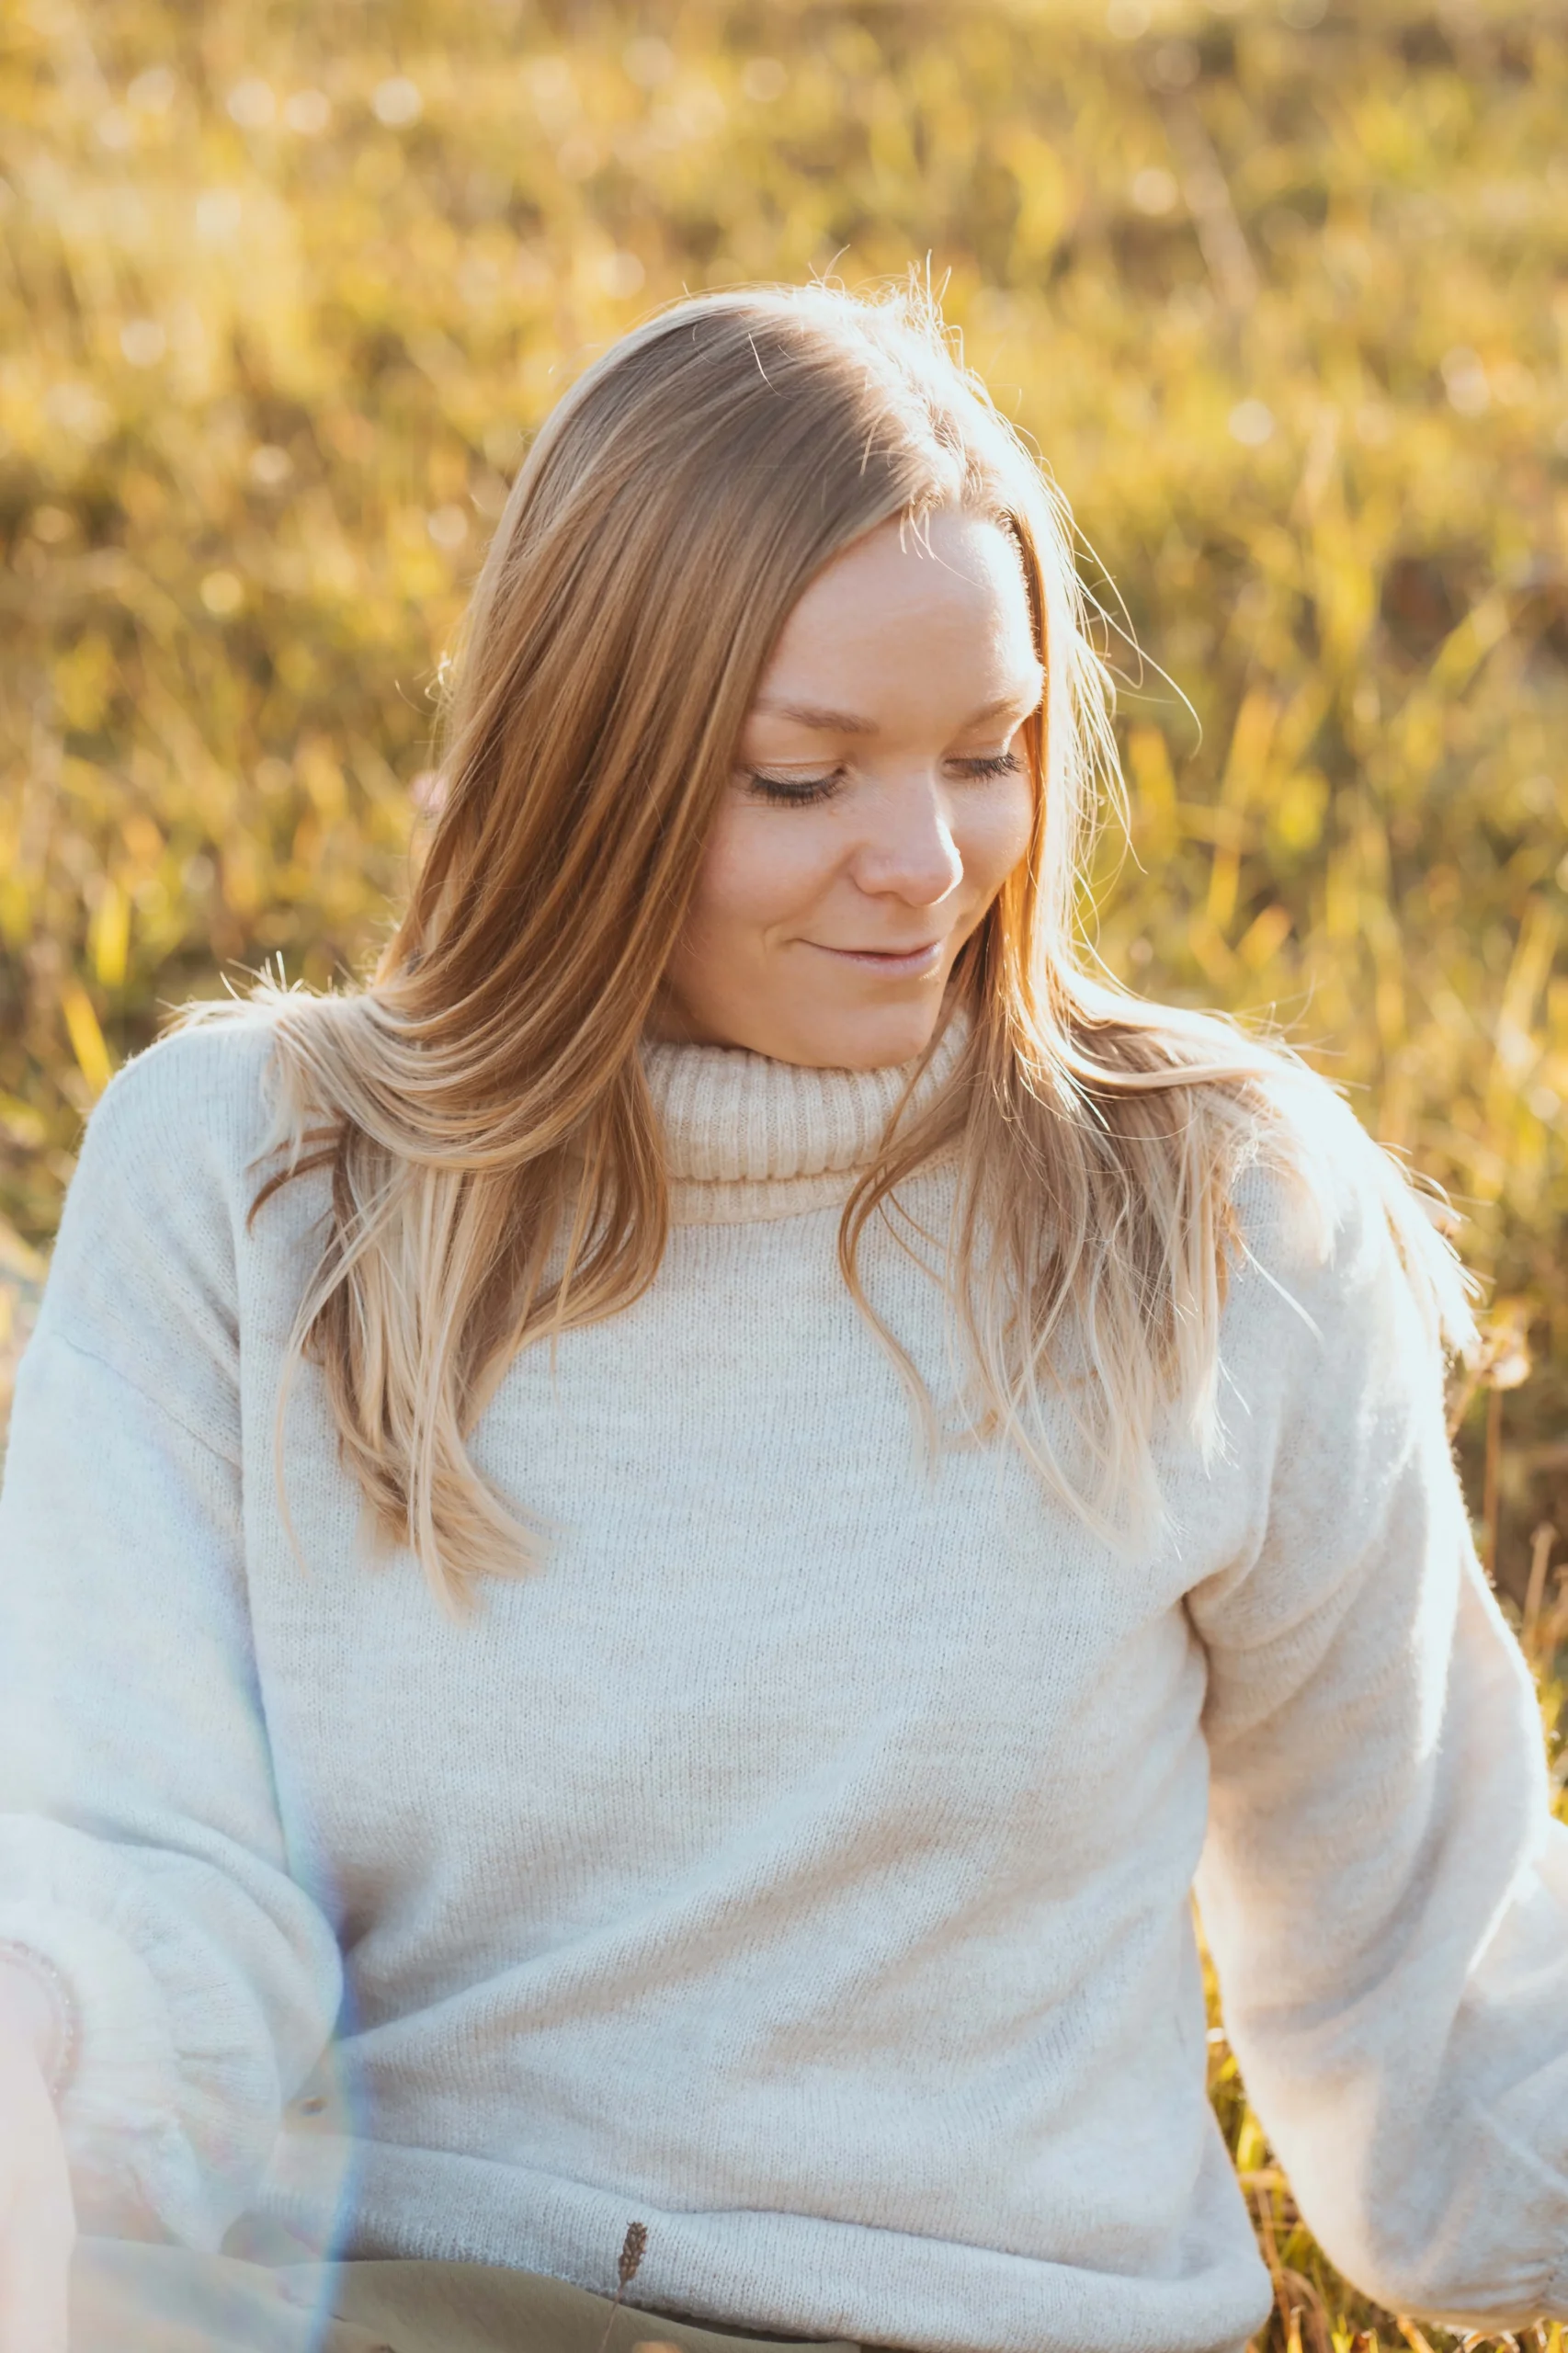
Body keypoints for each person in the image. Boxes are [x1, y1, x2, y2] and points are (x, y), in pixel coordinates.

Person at [1, 281, 1564, 2353]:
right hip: (390, 2302)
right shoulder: (255, 1173)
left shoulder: (1213, 1206)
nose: (925, 864)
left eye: (987, 754)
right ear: (592, 766)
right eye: (801, 778)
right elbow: (127, 1859)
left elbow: (1432, 1951)